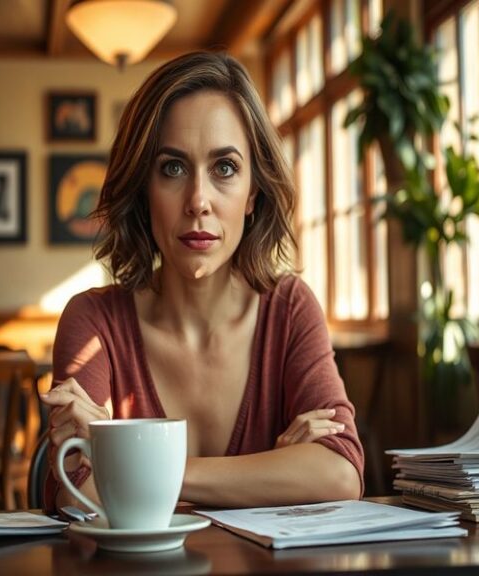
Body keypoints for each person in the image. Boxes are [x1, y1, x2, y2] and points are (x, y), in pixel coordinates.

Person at [41, 51, 364, 512]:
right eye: (172, 168)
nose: (198, 201)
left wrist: (136, 463)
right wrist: (273, 468)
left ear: (253, 192)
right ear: (142, 189)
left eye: (225, 168)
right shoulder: (94, 322)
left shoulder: (290, 308)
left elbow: (340, 473)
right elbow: (80, 496)